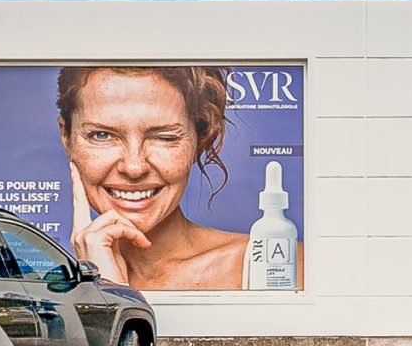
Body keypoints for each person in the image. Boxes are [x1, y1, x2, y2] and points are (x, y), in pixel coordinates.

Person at [56, 65, 296, 290]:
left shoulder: (276, 265)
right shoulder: (43, 293)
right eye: (101, 135)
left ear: (201, 141)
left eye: (165, 137)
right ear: (66, 137)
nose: (134, 167)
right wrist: (102, 290)